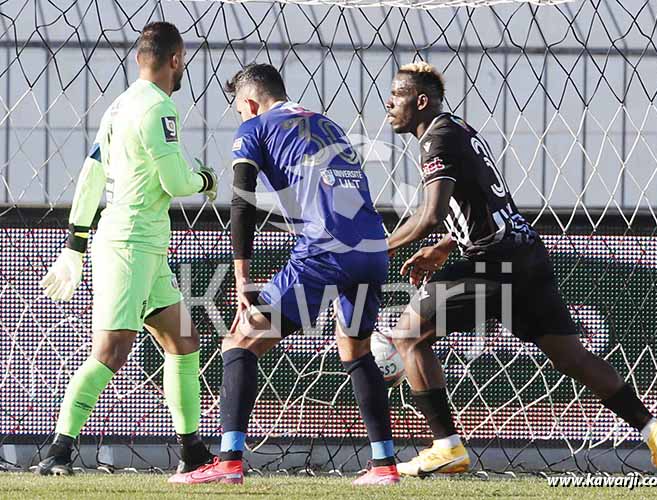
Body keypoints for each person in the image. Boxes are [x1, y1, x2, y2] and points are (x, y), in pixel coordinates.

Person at [384, 61, 657, 480]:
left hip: (495, 265)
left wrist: (378, 249)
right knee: (572, 358)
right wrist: (447, 245)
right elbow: (482, 203)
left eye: (396, 95)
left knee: (407, 337)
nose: (388, 103)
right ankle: (654, 430)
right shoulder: (457, 131)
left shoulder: (437, 139)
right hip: (525, 256)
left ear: (420, 101)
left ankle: (445, 448)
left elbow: (430, 214)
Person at [168, 63, 398, 486]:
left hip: (327, 248)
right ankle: (384, 466)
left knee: (239, 339)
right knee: (355, 349)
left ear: (250, 103)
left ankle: (229, 462)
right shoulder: (325, 122)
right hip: (372, 248)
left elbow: (242, 203)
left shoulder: (254, 128)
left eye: (239, 110)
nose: (240, 117)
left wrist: (242, 278)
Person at [37, 21, 217, 476]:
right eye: (183, 62)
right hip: (130, 243)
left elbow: (91, 173)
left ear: (140, 57)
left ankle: (192, 451)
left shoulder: (119, 105)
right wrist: (207, 180)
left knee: (182, 341)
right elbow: (176, 182)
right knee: (113, 349)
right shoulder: (160, 109)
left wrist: (77, 241)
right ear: (176, 59)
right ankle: (58, 450)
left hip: (144, 244)